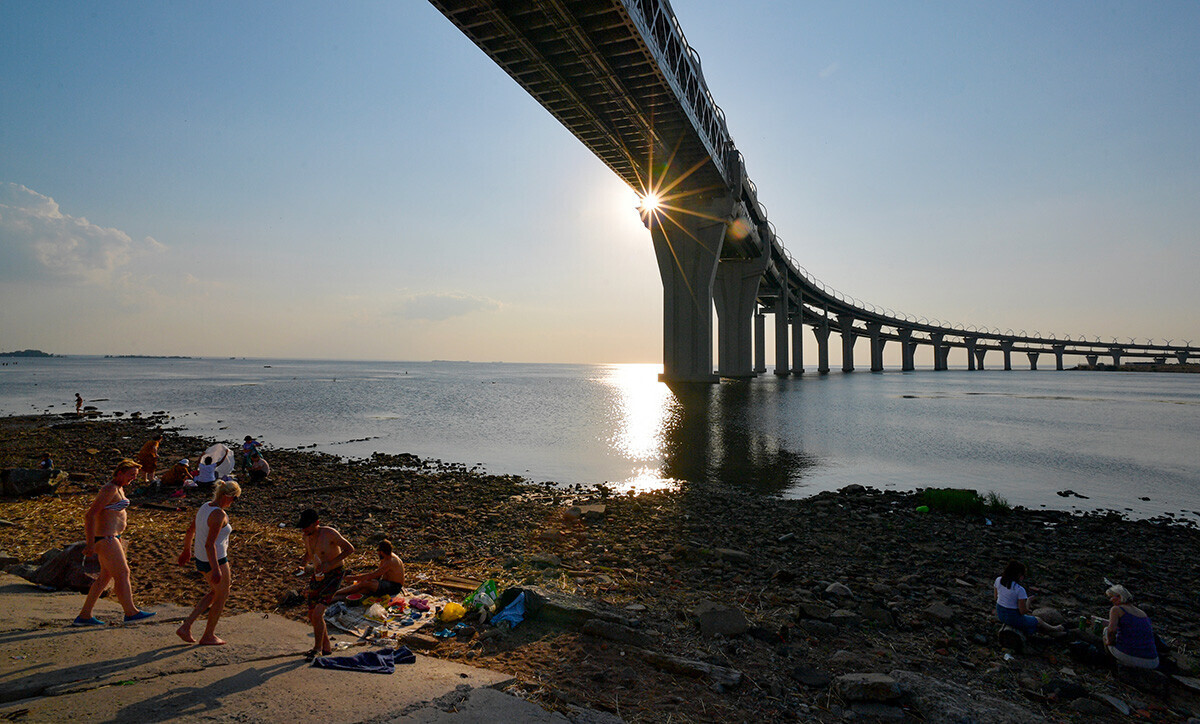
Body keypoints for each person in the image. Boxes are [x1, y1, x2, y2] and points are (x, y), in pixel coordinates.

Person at [74, 459, 155, 625]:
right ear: (120, 473)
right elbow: (90, 516)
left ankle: (84, 615)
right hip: (106, 538)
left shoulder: (119, 488)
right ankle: (131, 612)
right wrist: (90, 544)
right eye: (131, 475)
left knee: (105, 577)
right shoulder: (109, 488)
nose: (133, 478)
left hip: (112, 537)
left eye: (135, 475)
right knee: (123, 573)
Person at [176, 480, 241, 645]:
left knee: (214, 592)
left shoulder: (205, 506)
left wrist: (186, 550)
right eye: (235, 499)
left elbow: (191, 530)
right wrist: (216, 568)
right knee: (222, 595)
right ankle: (208, 635)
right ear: (228, 497)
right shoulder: (219, 514)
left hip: (202, 559)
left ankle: (186, 626)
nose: (234, 502)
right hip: (216, 559)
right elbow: (209, 544)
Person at [297, 508, 354, 659]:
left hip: (334, 574)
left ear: (316, 523)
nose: (304, 530)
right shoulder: (306, 537)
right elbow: (308, 554)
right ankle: (326, 647)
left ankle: (317, 649)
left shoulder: (329, 533)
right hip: (318, 574)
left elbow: (350, 549)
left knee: (318, 612)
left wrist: (331, 563)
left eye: (307, 526)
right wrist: (302, 565)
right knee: (311, 613)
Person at [993, 561, 1064, 636]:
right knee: (1038, 620)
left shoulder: (998, 580)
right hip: (1012, 618)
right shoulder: (1019, 590)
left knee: (1031, 625)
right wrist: (1028, 601)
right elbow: (1023, 611)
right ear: (1019, 575)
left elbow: (995, 597)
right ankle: (1055, 629)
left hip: (1000, 613)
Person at [1103, 584, 1159, 669]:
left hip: (1132, 658)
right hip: (1153, 661)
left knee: (1105, 631)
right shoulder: (1142, 613)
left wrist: (1109, 643)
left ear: (1119, 596)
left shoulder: (1116, 609)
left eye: (1111, 597)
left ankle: (1111, 665)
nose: (1110, 600)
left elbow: (1111, 631)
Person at [335, 539, 406, 600]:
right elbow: (376, 576)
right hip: (385, 583)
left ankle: (336, 593)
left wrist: (353, 578)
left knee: (365, 583)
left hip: (394, 587)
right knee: (363, 590)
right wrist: (362, 577)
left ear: (381, 552)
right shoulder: (385, 558)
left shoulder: (391, 561)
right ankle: (335, 598)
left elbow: (373, 575)